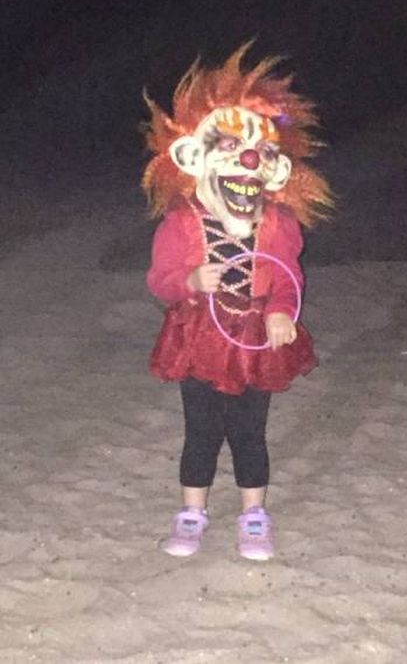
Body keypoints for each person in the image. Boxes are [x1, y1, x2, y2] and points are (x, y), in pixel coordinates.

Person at [142, 43, 332, 560]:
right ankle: (192, 513)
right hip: (198, 339)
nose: (248, 158)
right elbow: (159, 281)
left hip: (253, 342)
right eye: (229, 145)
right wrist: (190, 279)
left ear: (276, 170)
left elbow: (288, 276)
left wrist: (279, 310)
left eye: (260, 151)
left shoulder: (279, 223)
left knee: (250, 431)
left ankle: (253, 516)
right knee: (201, 431)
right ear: (193, 158)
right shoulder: (182, 222)